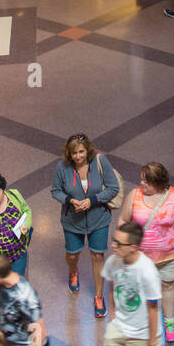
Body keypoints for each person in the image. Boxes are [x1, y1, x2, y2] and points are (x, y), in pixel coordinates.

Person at [117, 163, 174, 345]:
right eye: (142, 179)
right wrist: (122, 242)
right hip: (141, 258)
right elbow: (123, 219)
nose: (141, 183)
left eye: (146, 181)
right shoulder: (134, 196)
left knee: (167, 286)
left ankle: (169, 322)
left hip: (169, 256)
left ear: (158, 182)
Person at [50, 132, 120, 315]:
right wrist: (69, 200)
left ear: (87, 150)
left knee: (98, 256)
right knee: (72, 255)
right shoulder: (62, 167)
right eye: (74, 153)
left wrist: (93, 200)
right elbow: (55, 190)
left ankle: (98, 296)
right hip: (72, 220)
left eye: (81, 152)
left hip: (99, 218)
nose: (78, 157)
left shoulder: (100, 162)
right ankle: (73, 272)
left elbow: (114, 187)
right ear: (69, 154)